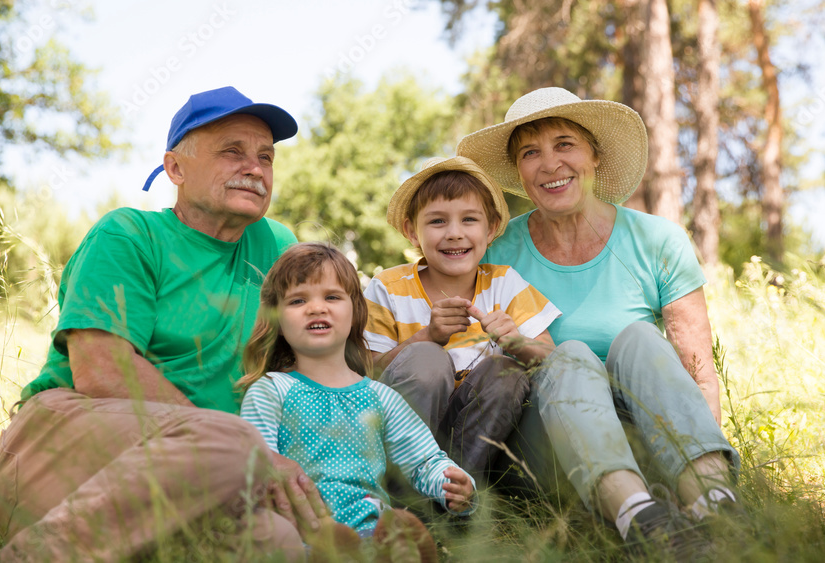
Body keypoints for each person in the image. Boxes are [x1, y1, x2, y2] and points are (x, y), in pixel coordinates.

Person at [0, 86, 324, 562]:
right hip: (57, 446)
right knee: (233, 441)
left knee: (277, 543)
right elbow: (102, 371)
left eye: (266, 157)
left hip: (204, 476)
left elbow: (322, 355)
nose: (255, 168)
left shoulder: (278, 247)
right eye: (232, 151)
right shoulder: (129, 235)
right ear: (175, 168)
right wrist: (244, 449)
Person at [456, 87, 741, 548]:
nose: (550, 164)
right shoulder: (496, 252)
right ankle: (641, 523)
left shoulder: (657, 240)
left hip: (645, 438)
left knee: (641, 339)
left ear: (595, 155)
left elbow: (698, 376)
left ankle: (716, 504)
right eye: (530, 153)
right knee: (568, 354)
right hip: (547, 447)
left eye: (564, 144)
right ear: (519, 172)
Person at [238, 242, 475, 562]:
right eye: (298, 300)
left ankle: (391, 552)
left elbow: (423, 461)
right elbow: (256, 461)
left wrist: (453, 484)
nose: (316, 308)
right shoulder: (271, 391)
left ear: (355, 312)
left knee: (393, 532)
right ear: (277, 321)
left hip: (370, 528)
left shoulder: (380, 397)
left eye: (332, 297)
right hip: (299, 527)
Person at [363, 156, 561, 477]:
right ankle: (407, 490)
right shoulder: (388, 287)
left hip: (476, 440)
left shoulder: (504, 283)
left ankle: (460, 488)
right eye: (437, 221)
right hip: (402, 433)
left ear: (491, 228)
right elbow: (364, 374)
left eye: (469, 219)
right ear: (412, 231)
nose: (455, 233)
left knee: (506, 371)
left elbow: (553, 359)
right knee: (427, 358)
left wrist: (517, 343)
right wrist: (426, 337)